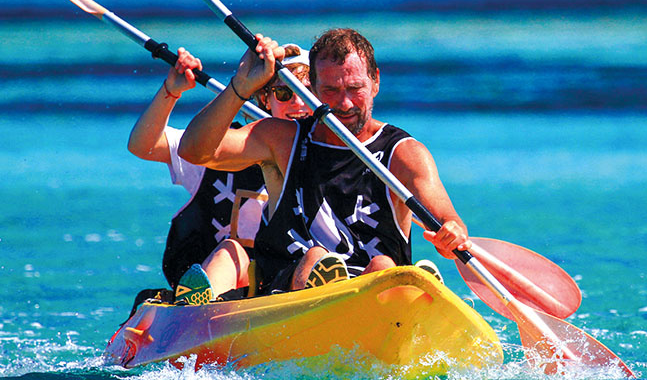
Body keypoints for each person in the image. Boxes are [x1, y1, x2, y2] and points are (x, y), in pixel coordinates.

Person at [175, 28, 469, 304]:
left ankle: (411, 292)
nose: (345, 103)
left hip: (375, 294)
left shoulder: (404, 153)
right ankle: (359, 293)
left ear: (376, 81)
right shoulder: (281, 139)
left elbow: (447, 220)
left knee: (383, 264)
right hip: (290, 295)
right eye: (330, 90)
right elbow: (193, 151)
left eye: (355, 88)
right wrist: (241, 86)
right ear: (313, 88)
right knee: (316, 257)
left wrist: (451, 234)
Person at [127, 46, 311, 290]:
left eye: (308, 92)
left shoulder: (333, 154)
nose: (298, 103)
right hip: (224, 288)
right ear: (265, 99)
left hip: (287, 283)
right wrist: (171, 91)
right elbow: (144, 146)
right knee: (229, 251)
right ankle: (200, 301)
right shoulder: (220, 146)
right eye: (285, 93)